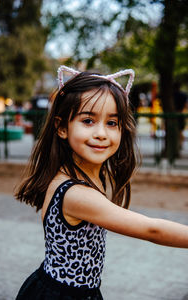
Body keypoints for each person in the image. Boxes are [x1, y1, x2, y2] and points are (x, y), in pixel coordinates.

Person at [15, 66, 188, 300]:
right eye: (88, 120)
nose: (101, 133)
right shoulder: (76, 193)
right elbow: (152, 229)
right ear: (62, 127)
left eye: (112, 123)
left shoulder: (81, 172)